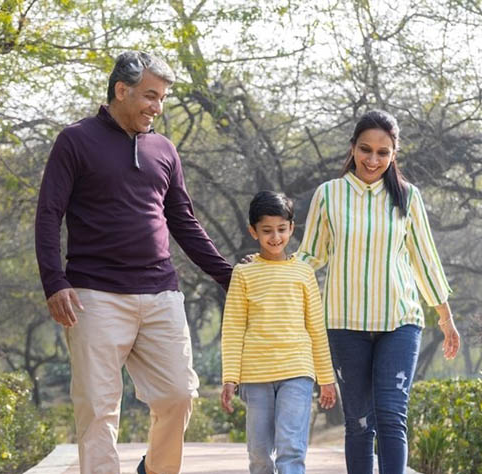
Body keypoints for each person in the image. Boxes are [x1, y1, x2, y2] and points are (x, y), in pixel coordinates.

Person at [35, 51, 233, 474]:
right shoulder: (75, 140)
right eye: (150, 96)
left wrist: (227, 275)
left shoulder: (163, 148)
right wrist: (54, 281)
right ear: (120, 90)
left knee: (179, 395)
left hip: (161, 292)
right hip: (94, 295)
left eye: (161, 99)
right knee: (99, 411)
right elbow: (49, 213)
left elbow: (183, 220)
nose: (157, 107)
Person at [296, 110, 460, 473]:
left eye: (383, 153)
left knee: (390, 416)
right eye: (366, 150)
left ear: (394, 154)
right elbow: (311, 254)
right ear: (352, 148)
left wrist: (445, 318)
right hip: (344, 323)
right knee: (357, 423)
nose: (373, 160)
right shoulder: (329, 195)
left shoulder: (408, 197)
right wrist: (272, 267)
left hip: (399, 321)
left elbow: (425, 260)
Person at [219, 191, 338, 474]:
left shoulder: (303, 273)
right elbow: (233, 328)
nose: (275, 237)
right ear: (253, 232)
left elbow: (316, 329)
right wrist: (229, 378)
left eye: (281, 230)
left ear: (291, 228)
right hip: (256, 374)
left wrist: (326, 378)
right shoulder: (243, 274)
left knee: (292, 448)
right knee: (259, 452)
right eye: (267, 231)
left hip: (297, 370)